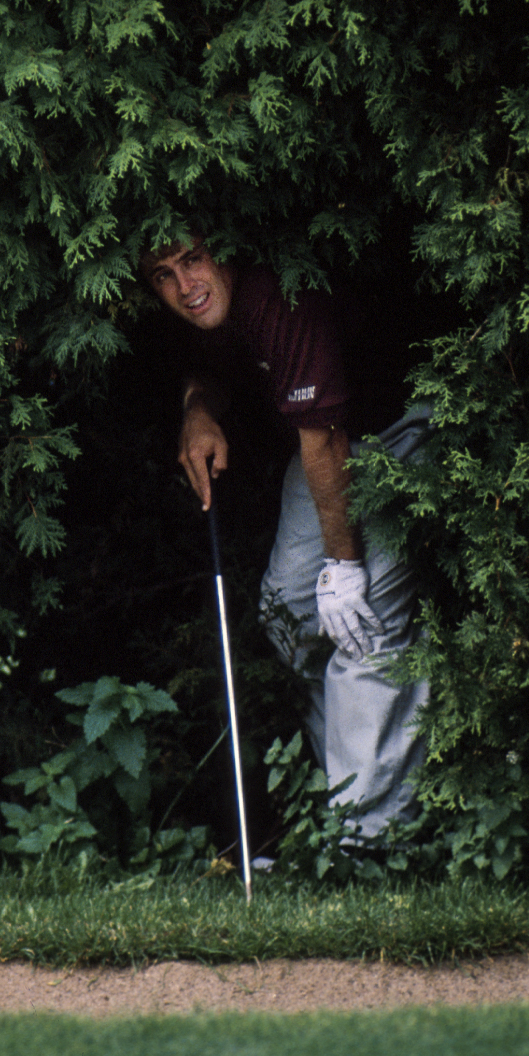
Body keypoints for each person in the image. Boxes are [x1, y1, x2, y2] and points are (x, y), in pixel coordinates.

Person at [144, 237, 431, 844]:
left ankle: (372, 842)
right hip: (328, 443)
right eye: (163, 274)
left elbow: (324, 440)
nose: (184, 284)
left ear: (224, 250)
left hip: (402, 424)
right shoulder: (207, 305)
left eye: (192, 259)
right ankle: (345, 804)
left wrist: (344, 567)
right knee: (293, 612)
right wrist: (197, 408)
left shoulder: (277, 293)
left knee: (364, 615)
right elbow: (209, 361)